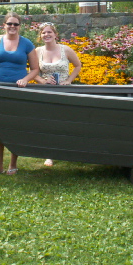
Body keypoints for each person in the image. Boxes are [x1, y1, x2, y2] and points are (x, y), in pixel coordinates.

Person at [0, 12, 39, 176]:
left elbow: (35, 69)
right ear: (4, 25)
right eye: (9, 24)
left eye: (15, 24)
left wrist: (25, 79)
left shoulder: (27, 44)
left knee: (15, 127)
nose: (12, 27)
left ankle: (12, 164)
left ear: (20, 26)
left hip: (18, 90)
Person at [34, 22, 82, 167]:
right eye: (43, 33)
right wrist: (42, 81)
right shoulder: (37, 51)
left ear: (55, 34)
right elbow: (33, 72)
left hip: (64, 90)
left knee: (66, 122)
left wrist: (68, 80)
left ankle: (69, 150)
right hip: (47, 91)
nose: (46, 35)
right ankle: (50, 155)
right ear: (40, 36)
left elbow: (78, 65)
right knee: (48, 123)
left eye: (49, 32)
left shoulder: (65, 49)